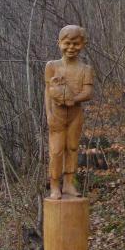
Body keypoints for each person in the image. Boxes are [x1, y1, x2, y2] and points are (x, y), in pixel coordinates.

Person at [44, 25, 94, 200]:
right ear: (59, 43)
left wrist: (73, 99)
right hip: (57, 114)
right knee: (56, 150)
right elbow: (47, 91)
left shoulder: (86, 69)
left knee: (72, 147)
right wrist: (49, 114)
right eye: (67, 43)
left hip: (75, 114)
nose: (71, 47)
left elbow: (88, 92)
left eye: (76, 43)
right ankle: (54, 185)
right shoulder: (52, 66)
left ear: (83, 44)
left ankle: (69, 183)